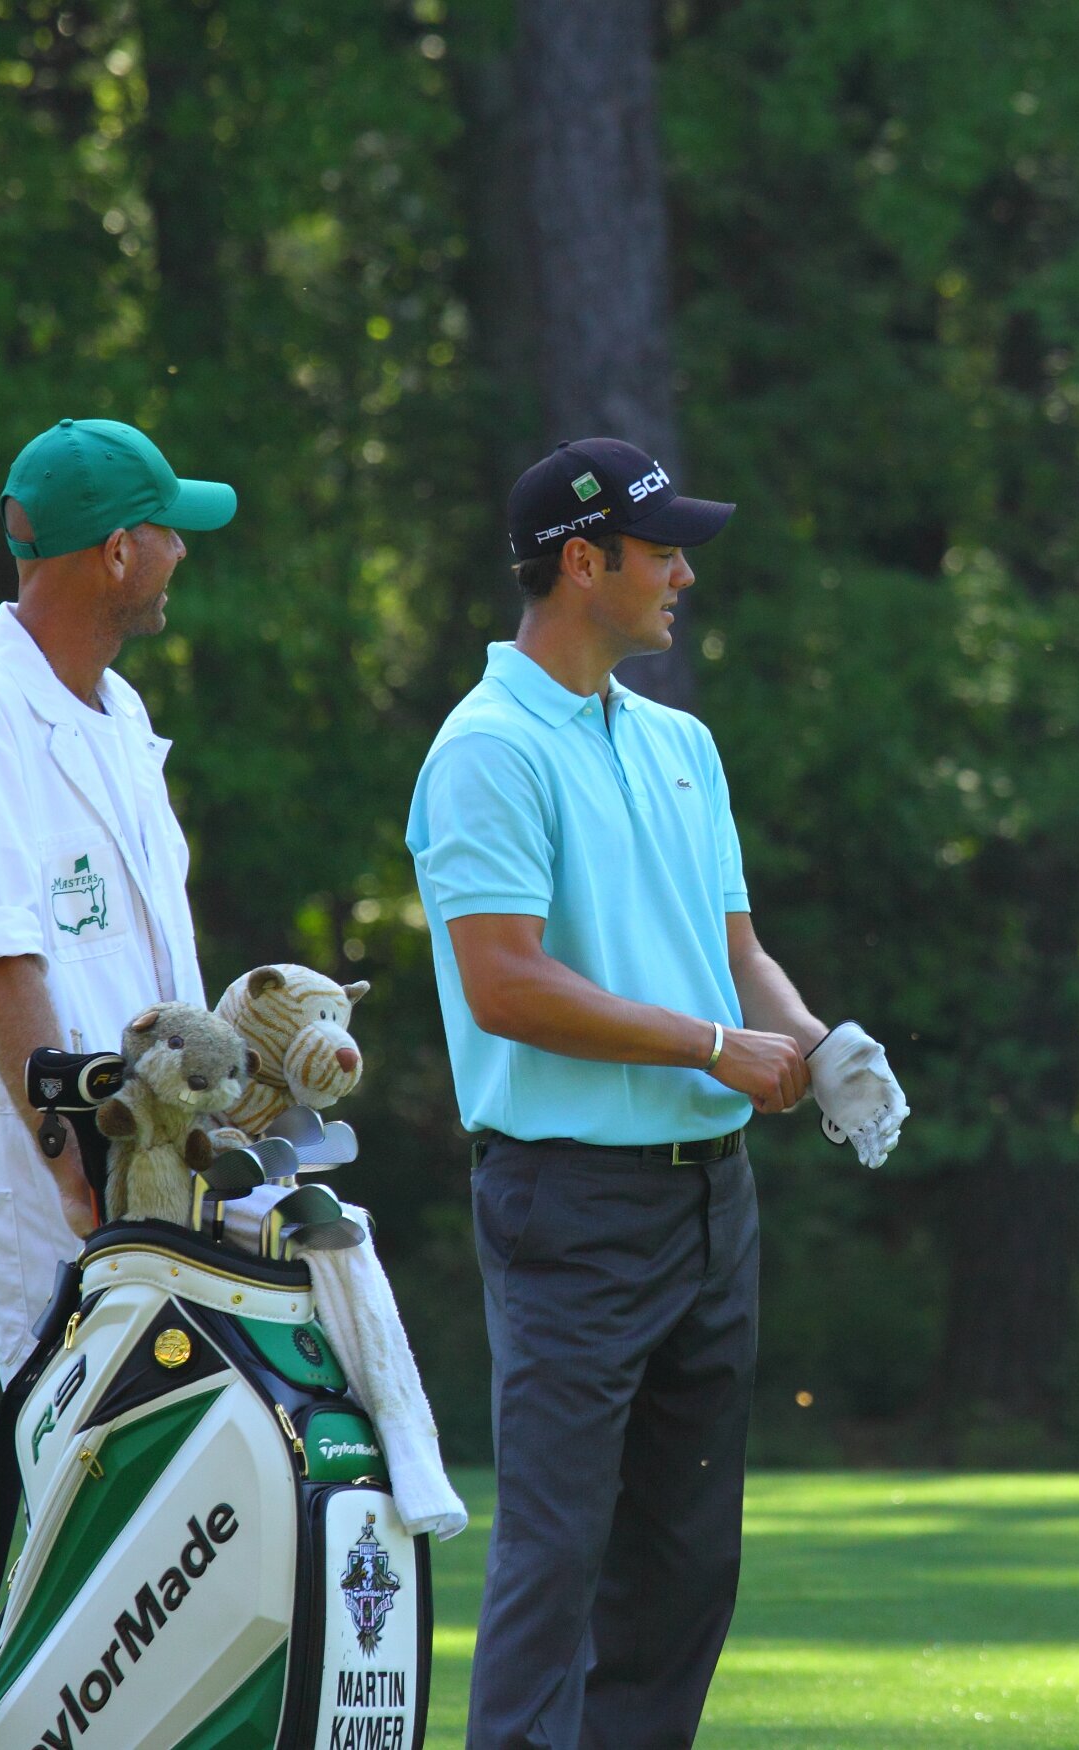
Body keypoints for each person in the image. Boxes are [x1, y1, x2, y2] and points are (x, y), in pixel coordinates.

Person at [406, 437, 910, 1749]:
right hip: (568, 1202)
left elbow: (734, 951)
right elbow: (504, 982)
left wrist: (816, 1042)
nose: (684, 574)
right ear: (585, 563)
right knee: (560, 1547)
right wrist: (709, 1047)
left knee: (686, 1564)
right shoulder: (487, 749)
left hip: (710, 1207)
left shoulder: (681, 740)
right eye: (663, 550)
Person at [0, 417, 236, 1379]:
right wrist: (73, 1161)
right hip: (64, 1188)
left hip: (156, 1174)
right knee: (76, 1457)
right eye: (167, 530)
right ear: (118, 552)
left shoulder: (120, 710)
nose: (180, 550)